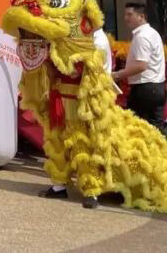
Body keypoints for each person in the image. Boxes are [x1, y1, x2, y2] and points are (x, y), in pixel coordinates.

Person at [40, 24, 115, 199]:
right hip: (60, 97)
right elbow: (54, 71)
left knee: (81, 143)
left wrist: (58, 58)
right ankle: (59, 186)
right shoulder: (65, 39)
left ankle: (91, 191)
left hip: (81, 102)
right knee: (57, 141)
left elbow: (79, 72)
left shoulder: (96, 41)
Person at [113, 2, 166, 133]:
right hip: (156, 87)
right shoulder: (151, 33)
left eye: (130, 14)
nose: (126, 18)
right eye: (125, 14)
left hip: (146, 89)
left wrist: (118, 74)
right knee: (155, 130)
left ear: (141, 16)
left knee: (140, 130)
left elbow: (141, 65)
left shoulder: (142, 36)